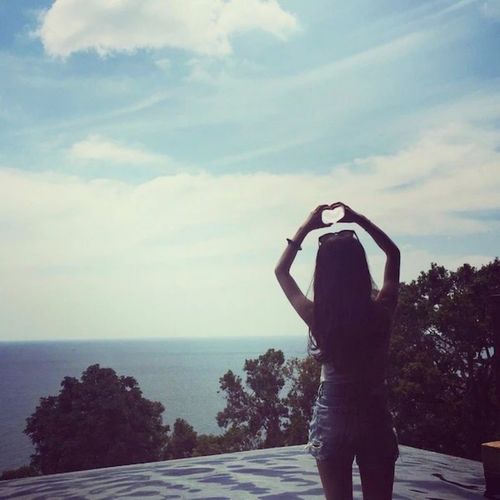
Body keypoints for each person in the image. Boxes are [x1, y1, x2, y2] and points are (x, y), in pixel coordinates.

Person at [274, 202, 400, 500]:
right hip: (373, 411)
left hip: (333, 413)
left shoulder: (317, 317)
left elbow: (281, 271)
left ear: (322, 274)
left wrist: (306, 227)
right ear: (360, 270)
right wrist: (359, 220)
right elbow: (393, 254)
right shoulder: (381, 311)